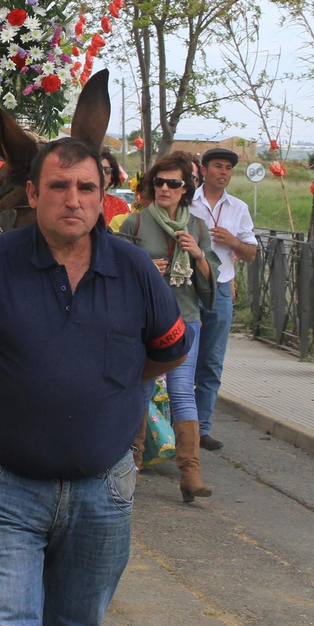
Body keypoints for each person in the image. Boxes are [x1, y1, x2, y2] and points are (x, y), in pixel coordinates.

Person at [0, 138, 192, 626]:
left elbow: (169, 350)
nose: (73, 199)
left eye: (86, 187)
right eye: (59, 186)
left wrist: (112, 387)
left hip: (103, 495)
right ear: (34, 194)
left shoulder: (133, 270)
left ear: (104, 196)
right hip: (4, 491)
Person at [117, 152, 220, 501]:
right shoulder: (135, 224)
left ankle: (191, 474)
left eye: (173, 183)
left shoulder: (198, 228)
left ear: (185, 189)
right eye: (159, 182)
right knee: (142, 394)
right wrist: (145, 266)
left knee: (181, 393)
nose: (164, 188)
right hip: (146, 324)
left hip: (186, 320)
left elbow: (211, 284)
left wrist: (198, 255)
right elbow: (117, 273)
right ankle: (131, 470)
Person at [190, 148, 258, 451]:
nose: (224, 172)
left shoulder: (238, 207)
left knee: (212, 361)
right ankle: (175, 425)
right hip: (187, 285)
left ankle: (201, 428)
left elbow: (251, 253)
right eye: (218, 166)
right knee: (181, 358)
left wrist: (233, 241)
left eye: (229, 168)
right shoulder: (188, 200)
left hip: (220, 288)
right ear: (204, 170)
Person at [99, 147, 130, 223]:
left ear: (111, 177)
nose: (102, 174)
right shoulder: (77, 204)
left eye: (107, 170)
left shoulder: (120, 205)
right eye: (98, 169)